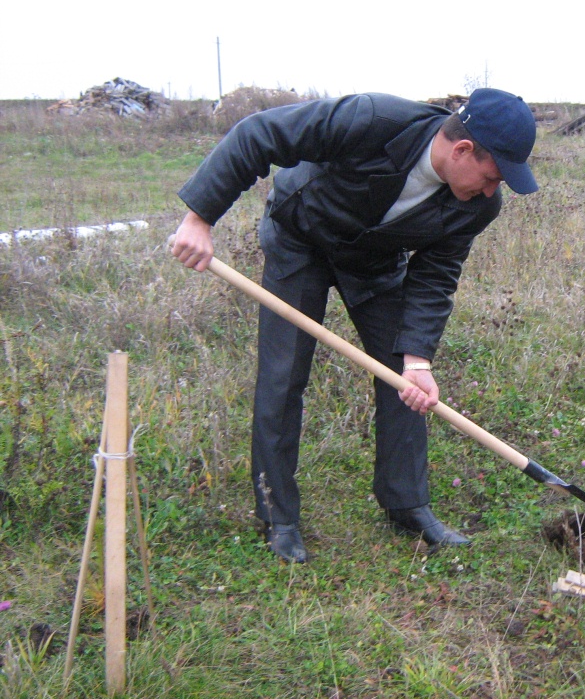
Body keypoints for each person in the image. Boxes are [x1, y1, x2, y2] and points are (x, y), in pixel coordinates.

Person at [170, 88, 539, 562]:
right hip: (301, 235)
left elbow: (436, 273)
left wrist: (418, 358)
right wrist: (200, 218)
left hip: (374, 260)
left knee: (402, 378)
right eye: (492, 177)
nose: (492, 191)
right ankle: (278, 515)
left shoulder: (478, 206)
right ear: (463, 150)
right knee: (284, 375)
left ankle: (407, 503)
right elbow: (259, 133)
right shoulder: (372, 120)